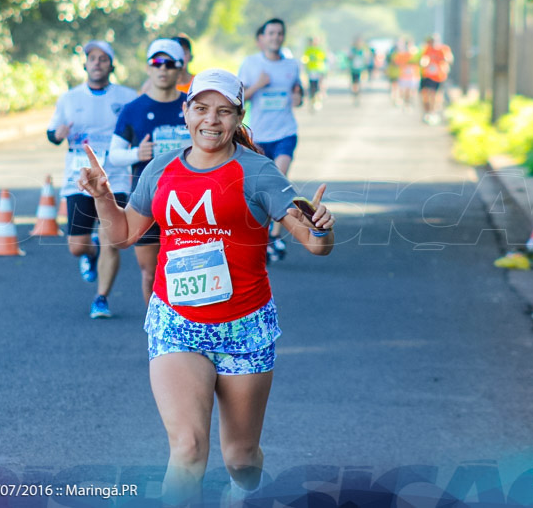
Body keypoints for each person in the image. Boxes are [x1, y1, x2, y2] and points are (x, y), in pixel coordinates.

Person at [77, 68, 335, 504]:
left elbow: (314, 244)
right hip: (176, 321)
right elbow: (123, 235)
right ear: (185, 112)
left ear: (238, 117)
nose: (210, 121)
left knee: (241, 457)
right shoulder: (161, 169)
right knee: (188, 449)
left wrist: (322, 227)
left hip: (244, 325)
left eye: (223, 111)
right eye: (200, 109)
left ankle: (240, 489)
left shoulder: (258, 172)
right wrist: (104, 197)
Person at [46, 40, 137, 319]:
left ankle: (101, 298)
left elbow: (138, 130)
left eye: (103, 58)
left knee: (111, 238)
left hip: (115, 178)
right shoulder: (70, 98)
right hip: (79, 177)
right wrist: (58, 134)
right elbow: (52, 134)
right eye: (92, 58)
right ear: (85, 64)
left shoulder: (127, 97)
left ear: (112, 65)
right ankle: (90, 252)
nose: (97, 63)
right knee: (76, 246)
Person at [110, 39, 191, 305]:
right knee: (150, 272)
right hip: (148, 203)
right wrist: (137, 154)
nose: (163, 69)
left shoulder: (192, 107)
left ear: (180, 69)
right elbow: (114, 154)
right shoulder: (133, 109)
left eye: (170, 64)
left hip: (190, 202)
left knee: (189, 270)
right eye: (157, 63)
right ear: (148, 68)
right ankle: (157, 337)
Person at [238, 19, 304, 263]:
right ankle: (262, 237)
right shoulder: (251, 63)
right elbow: (239, 99)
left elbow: (298, 95)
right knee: (260, 188)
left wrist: (298, 97)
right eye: (271, 33)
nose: (276, 37)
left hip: (285, 132)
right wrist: (259, 84)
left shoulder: (291, 65)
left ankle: (275, 237)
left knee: (279, 179)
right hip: (259, 135)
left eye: (279, 33)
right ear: (262, 38)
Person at [419, 34, 453, 123]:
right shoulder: (427, 49)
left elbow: (449, 59)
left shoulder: (443, 49)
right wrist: (424, 62)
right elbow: (423, 59)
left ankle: (433, 112)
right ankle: (427, 112)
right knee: (425, 95)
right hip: (427, 75)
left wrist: (444, 59)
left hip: (438, 76)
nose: (431, 43)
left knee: (434, 94)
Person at [301, 38, 327, 112]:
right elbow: (305, 59)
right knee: (312, 87)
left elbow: (324, 60)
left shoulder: (320, 50)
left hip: (319, 70)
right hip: (311, 71)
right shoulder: (308, 50)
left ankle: (319, 99)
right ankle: (312, 101)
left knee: (319, 86)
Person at [347, 38, 370, 104]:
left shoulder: (363, 51)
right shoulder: (352, 50)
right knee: (354, 83)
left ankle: (358, 93)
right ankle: (355, 94)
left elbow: (366, 59)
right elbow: (348, 58)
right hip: (354, 70)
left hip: (361, 70)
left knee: (360, 83)